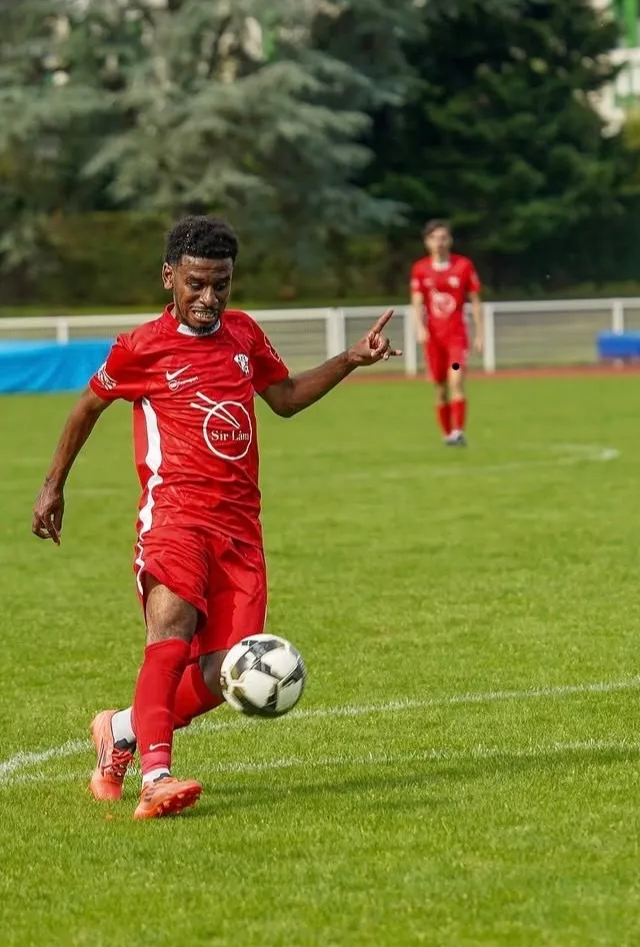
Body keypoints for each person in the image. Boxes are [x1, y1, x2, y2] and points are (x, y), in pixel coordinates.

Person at [30, 215, 400, 820]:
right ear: (168, 277)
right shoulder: (140, 347)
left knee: (223, 670)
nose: (209, 298)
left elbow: (283, 399)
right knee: (169, 638)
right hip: (173, 517)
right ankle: (156, 776)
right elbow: (87, 407)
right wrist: (53, 486)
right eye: (196, 283)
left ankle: (118, 731)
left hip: (240, 531)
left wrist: (350, 359)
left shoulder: (245, 336)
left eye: (221, 285)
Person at [410, 219, 483, 446]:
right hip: (434, 340)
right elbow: (416, 302)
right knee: (440, 387)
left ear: (450, 240)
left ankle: (458, 432)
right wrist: (420, 328)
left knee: (455, 380)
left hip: (456, 338)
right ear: (427, 242)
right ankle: (447, 434)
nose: (439, 243)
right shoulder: (420, 269)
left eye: (443, 238)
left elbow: (476, 301)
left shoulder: (463, 266)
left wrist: (480, 333)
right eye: (434, 238)